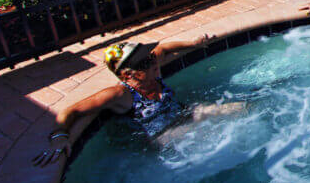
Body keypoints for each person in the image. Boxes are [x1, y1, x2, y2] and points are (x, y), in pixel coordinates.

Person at [32, 35, 242, 166]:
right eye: (144, 61)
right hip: (162, 138)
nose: (152, 61)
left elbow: (165, 49)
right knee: (217, 143)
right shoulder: (119, 95)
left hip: (186, 114)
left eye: (149, 57)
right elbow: (71, 111)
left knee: (241, 109)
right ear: (126, 75)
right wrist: (59, 137)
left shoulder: (153, 69)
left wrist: (195, 44)